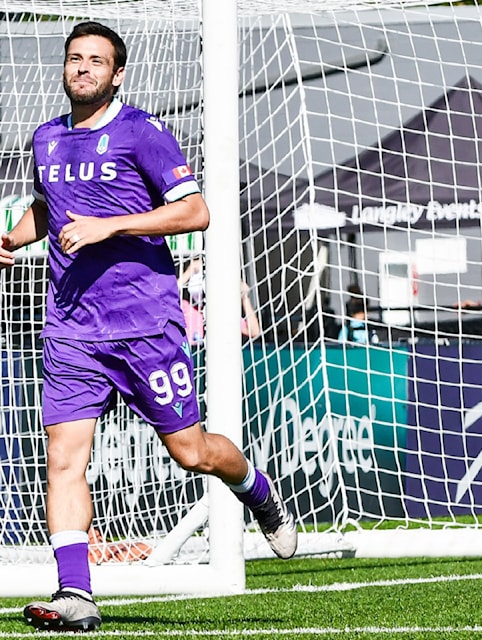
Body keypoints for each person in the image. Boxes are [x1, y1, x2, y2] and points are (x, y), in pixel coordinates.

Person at [0, 22, 296, 632]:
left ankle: (258, 492)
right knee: (63, 457)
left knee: (191, 453)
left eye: (96, 61)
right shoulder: (46, 138)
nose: (83, 69)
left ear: (118, 74)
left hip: (143, 324)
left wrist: (111, 227)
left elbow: (196, 211)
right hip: (72, 326)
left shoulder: (142, 132)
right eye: (74, 59)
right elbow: (47, 206)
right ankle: (75, 595)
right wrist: (13, 236)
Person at [178, 257, 262, 345]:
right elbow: (167, 294)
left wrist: (244, 298)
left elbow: (254, 331)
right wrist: (189, 271)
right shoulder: (186, 308)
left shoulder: (225, 316)